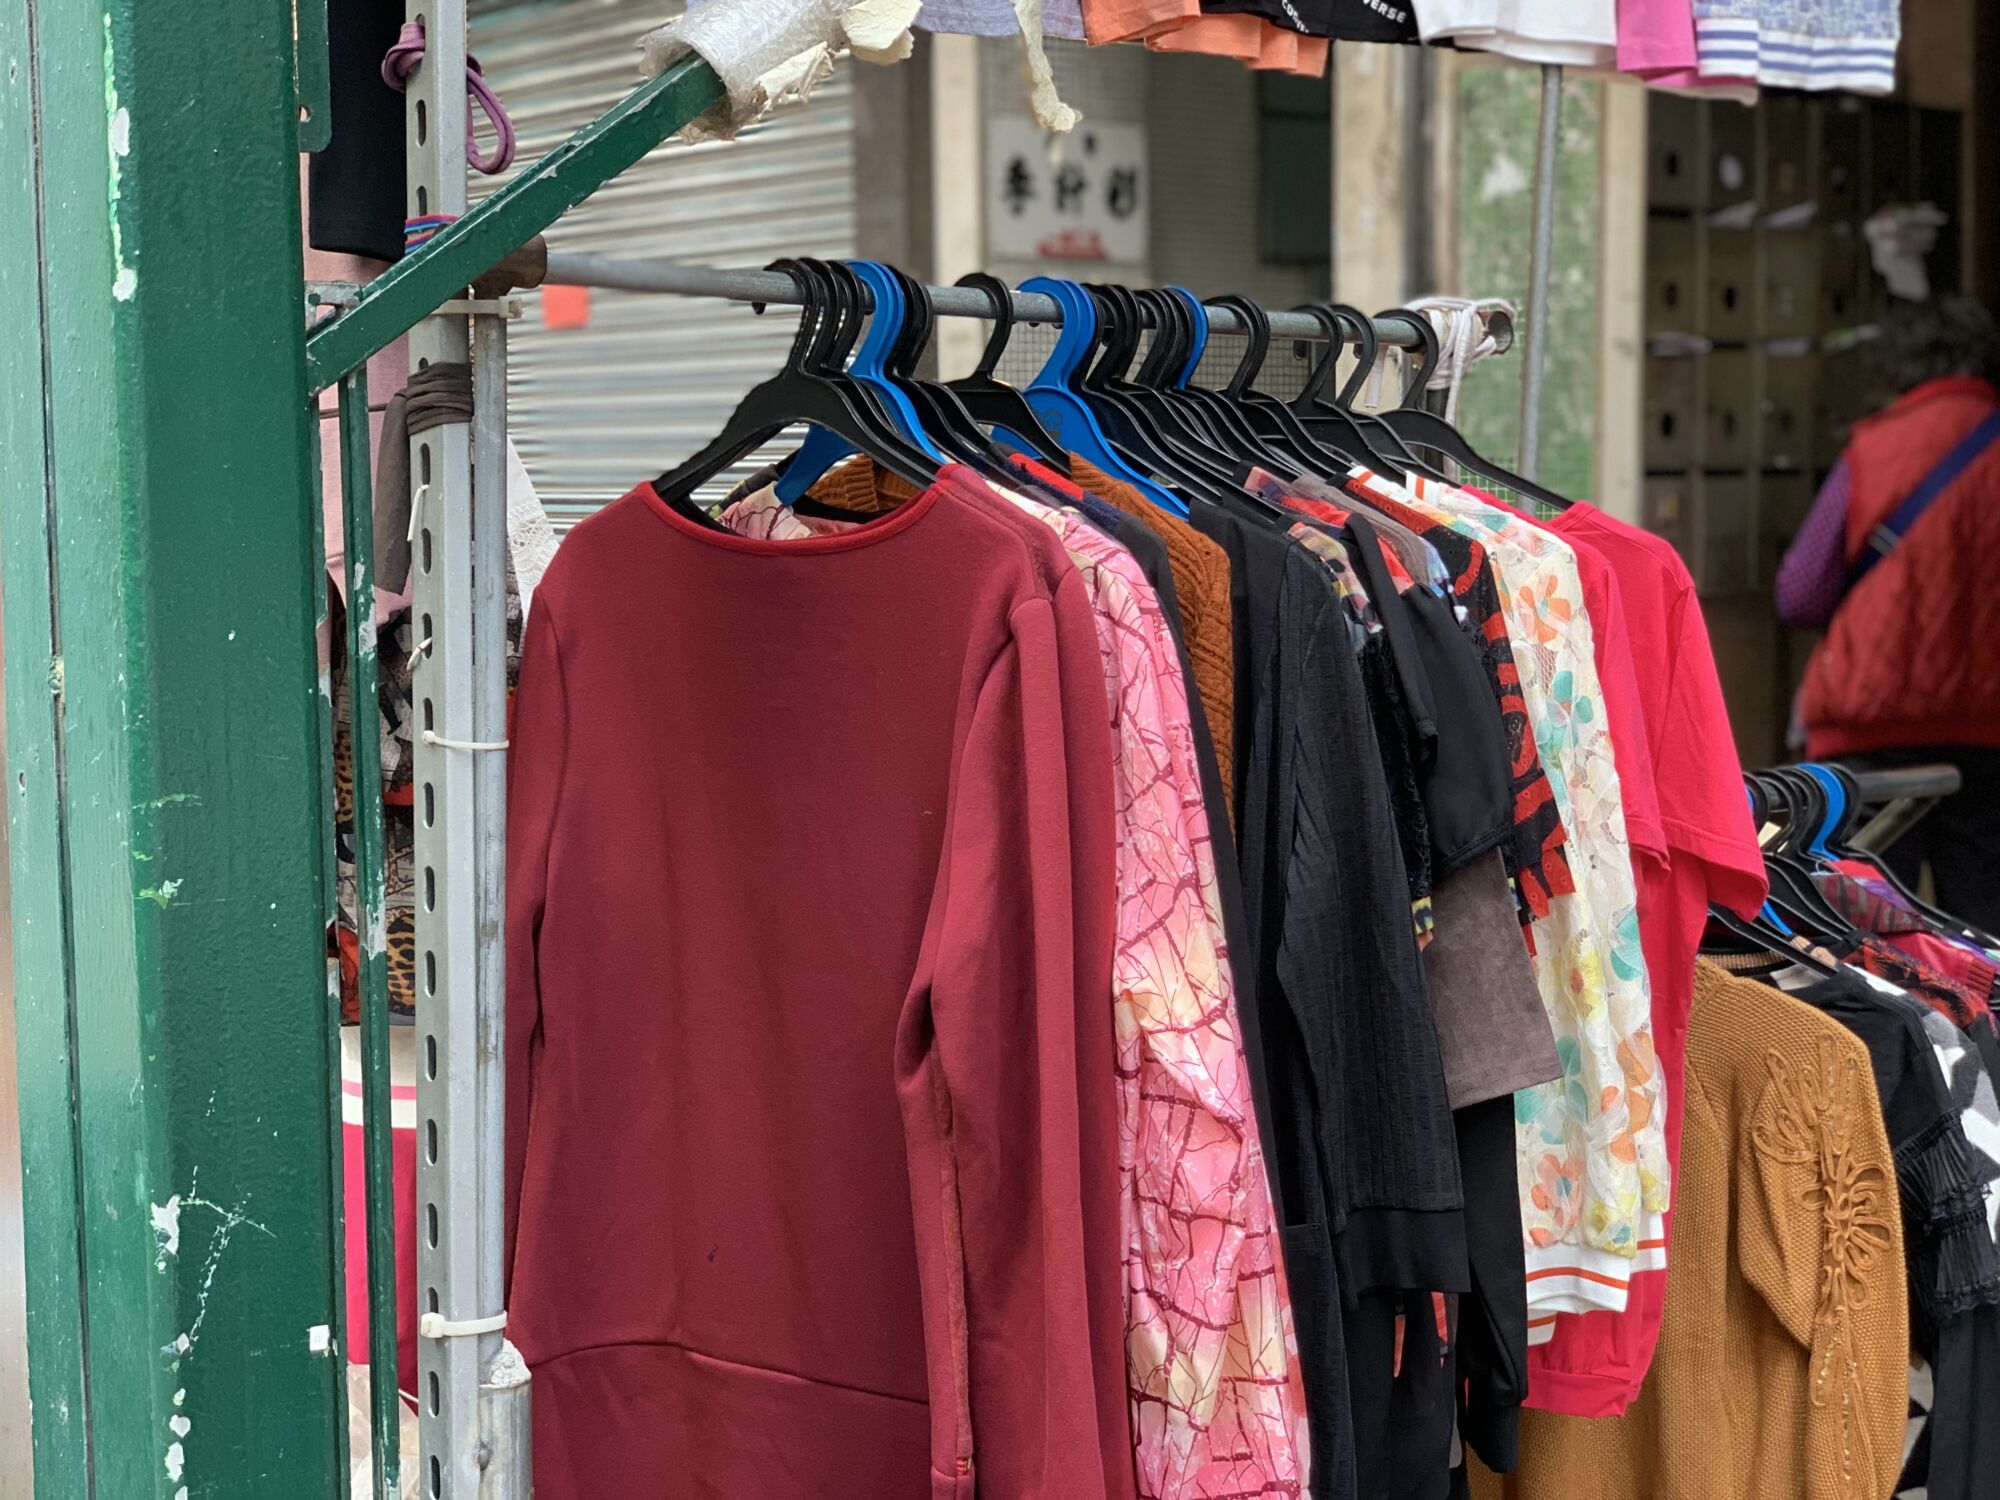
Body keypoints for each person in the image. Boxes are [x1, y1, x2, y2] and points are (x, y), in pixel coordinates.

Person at [1777, 295, 2000, 931]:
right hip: (1989, 733)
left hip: (1869, 727)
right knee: (1986, 923)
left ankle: (1899, 1034)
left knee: (1872, 927)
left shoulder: (1872, 451)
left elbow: (1801, 594)